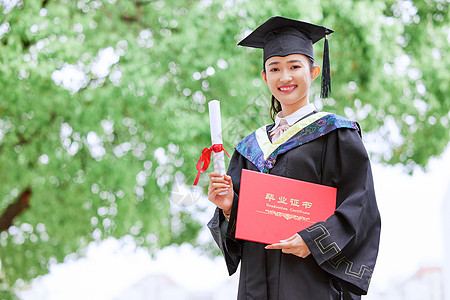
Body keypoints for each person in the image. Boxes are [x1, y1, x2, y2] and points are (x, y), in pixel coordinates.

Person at [207, 16, 381, 300]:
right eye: (274, 68)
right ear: (265, 77)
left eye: (294, 66)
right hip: (256, 286)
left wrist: (314, 241)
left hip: (311, 282)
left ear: (313, 72)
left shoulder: (335, 134)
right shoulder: (250, 148)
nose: (284, 77)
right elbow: (242, 228)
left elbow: (360, 205)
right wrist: (229, 207)